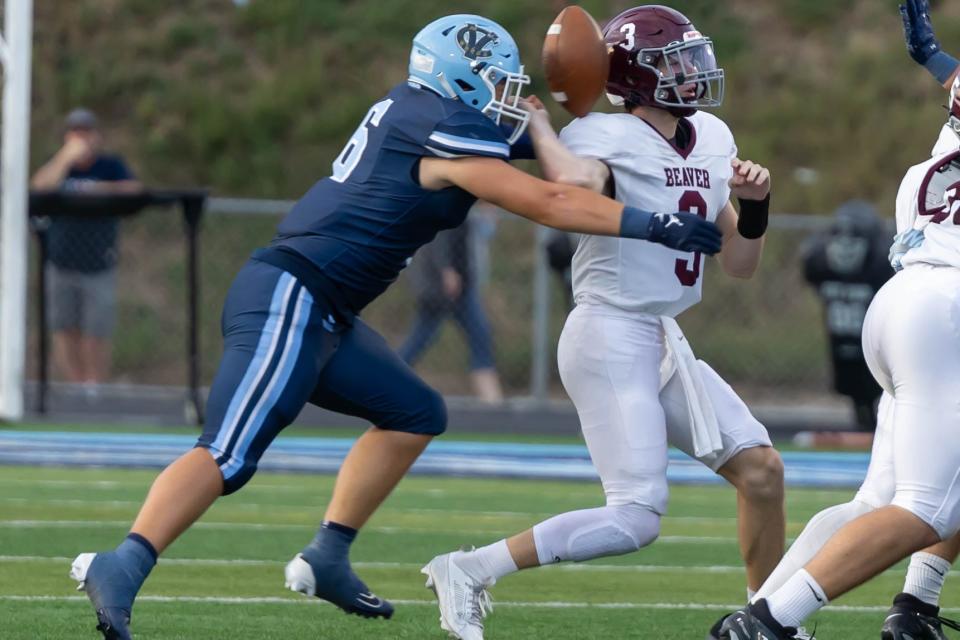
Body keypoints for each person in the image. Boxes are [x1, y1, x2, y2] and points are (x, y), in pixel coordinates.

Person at [67, 13, 724, 640]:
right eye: (496, 82)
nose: (504, 97)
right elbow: (548, 199)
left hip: (327, 309)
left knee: (413, 412)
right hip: (291, 293)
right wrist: (654, 223)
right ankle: (124, 560)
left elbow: (555, 158)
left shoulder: (427, 110)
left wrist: (553, 116)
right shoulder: (439, 123)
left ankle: (328, 553)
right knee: (229, 450)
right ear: (462, 78)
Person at [422, 7, 782, 640]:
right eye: (676, 60)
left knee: (761, 472)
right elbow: (574, 180)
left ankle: (767, 621)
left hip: (666, 338)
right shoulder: (602, 136)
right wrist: (540, 124)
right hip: (610, 332)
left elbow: (742, 265)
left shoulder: (716, 137)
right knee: (637, 518)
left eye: (693, 57)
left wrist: (754, 211)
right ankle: (468, 569)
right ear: (638, 75)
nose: (693, 71)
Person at [720, 2, 960, 638]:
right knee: (924, 510)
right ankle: (771, 623)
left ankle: (911, 610)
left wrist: (931, 55)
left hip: (906, 299)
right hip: (947, 316)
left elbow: (951, 75)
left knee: (877, 501)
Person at [30, 109, 142, 388]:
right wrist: (66, 158)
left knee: (96, 329)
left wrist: (99, 188)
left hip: (99, 263)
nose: (82, 138)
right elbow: (39, 187)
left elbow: (134, 189)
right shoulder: (59, 167)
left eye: (86, 132)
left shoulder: (109, 166)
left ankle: (95, 384)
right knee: (63, 327)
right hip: (60, 261)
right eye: (75, 133)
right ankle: (74, 383)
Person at [802, 200, 893, 430]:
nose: (844, 246)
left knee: (882, 393)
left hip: (877, 344)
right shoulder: (821, 263)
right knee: (857, 396)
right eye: (839, 238)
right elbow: (811, 273)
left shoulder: (880, 266)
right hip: (842, 342)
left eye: (854, 239)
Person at [397, 218, 504, 404]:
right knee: (423, 338)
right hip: (446, 288)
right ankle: (491, 397)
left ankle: (491, 397)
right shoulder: (451, 208)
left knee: (479, 336)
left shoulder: (468, 212)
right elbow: (441, 240)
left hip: (460, 286)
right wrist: (447, 271)